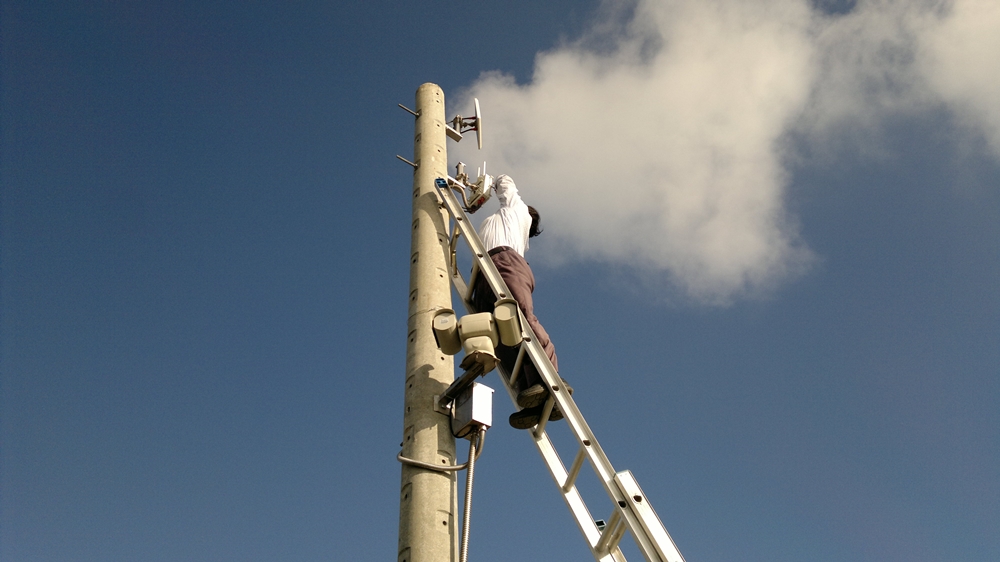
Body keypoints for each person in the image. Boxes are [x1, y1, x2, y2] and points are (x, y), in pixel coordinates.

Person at [470, 174, 570, 429]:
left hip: (504, 261)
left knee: (520, 319)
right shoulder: (502, 220)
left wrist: (490, 180)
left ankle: (551, 380)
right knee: (503, 338)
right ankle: (533, 397)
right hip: (483, 272)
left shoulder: (518, 212)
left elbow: (506, 183)